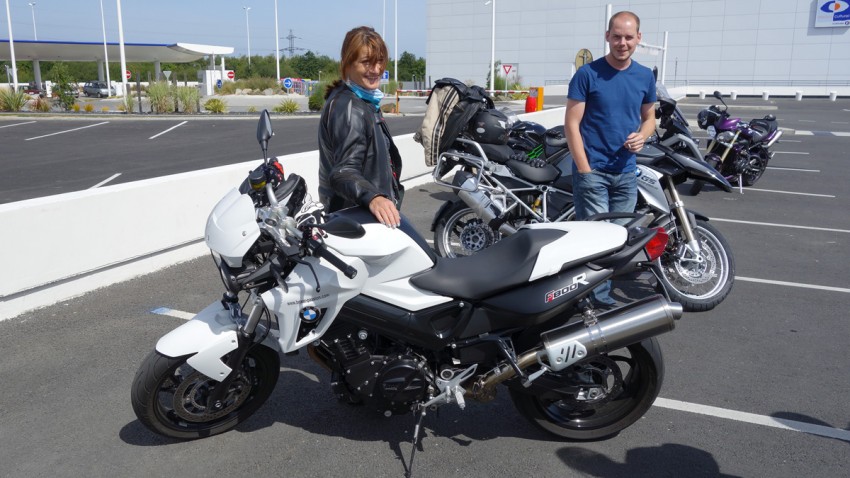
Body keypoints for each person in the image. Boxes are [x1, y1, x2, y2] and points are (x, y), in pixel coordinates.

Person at [564, 10, 657, 308]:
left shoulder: (644, 76)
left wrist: (643, 134)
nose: (622, 42)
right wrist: (584, 168)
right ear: (607, 36)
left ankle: (597, 298)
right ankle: (595, 303)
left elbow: (649, 117)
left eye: (629, 37)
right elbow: (571, 124)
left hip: (626, 173)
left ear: (639, 38)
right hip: (593, 172)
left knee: (619, 240)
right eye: (616, 36)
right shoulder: (587, 74)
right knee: (595, 242)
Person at [318, 26, 403, 228]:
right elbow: (344, 172)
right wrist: (374, 198)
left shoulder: (363, 101)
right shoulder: (349, 107)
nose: (375, 70)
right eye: (366, 62)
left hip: (367, 216)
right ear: (348, 65)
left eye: (380, 61)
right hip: (358, 220)